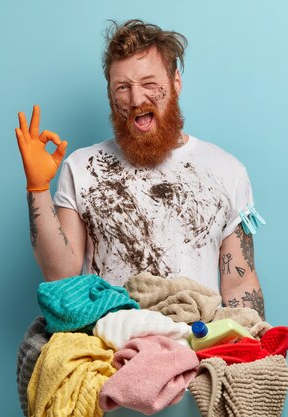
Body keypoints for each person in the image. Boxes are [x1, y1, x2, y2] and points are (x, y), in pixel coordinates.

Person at [14, 19, 266, 320]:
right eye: (122, 87)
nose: (136, 99)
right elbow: (60, 275)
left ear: (176, 83)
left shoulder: (227, 170)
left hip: (196, 349)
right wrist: (37, 188)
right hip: (110, 351)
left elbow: (239, 284)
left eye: (149, 83)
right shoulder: (81, 168)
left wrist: (256, 349)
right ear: (110, 95)